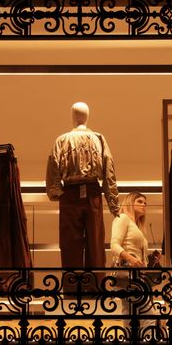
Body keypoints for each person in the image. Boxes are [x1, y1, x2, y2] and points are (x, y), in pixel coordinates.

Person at [46, 102, 119, 268]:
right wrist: (113, 203)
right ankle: (96, 290)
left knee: (69, 244)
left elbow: (53, 170)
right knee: (96, 243)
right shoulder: (99, 139)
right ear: (88, 116)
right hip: (93, 193)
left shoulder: (61, 140)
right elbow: (109, 171)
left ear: (72, 117)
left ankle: (72, 290)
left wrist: (56, 192)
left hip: (69, 194)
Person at [110, 192, 162, 337]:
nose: (144, 204)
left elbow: (138, 253)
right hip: (129, 273)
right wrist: (131, 259)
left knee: (129, 312)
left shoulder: (136, 225)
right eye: (140, 201)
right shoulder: (122, 218)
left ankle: (130, 344)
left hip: (137, 276)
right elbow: (114, 245)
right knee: (148, 315)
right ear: (130, 203)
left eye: (145, 202)